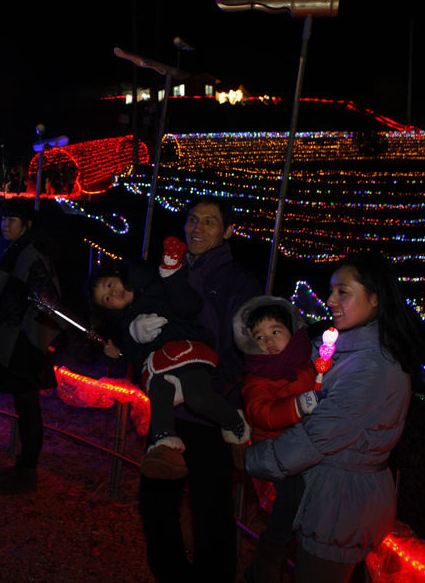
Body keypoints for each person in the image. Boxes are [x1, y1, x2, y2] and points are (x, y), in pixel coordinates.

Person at [246, 252, 423, 582]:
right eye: (331, 290)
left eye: (343, 291)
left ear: (375, 298)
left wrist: (249, 458)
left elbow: (314, 438)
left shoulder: (371, 369)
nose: (330, 300)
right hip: (330, 491)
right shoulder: (346, 350)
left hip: (343, 503)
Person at [138, 195, 262, 583]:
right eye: (192, 219)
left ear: (228, 231)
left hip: (210, 413)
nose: (197, 228)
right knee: (155, 502)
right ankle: (173, 574)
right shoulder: (167, 270)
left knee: (211, 511)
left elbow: (245, 349)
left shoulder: (240, 282)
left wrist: (207, 392)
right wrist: (133, 335)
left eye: (209, 221)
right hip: (167, 412)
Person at [88, 238, 250, 480]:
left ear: (118, 274)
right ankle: (165, 445)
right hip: (159, 365)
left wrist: (171, 273)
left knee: (197, 397)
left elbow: (189, 305)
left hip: (188, 350)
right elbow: (132, 355)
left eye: (110, 285)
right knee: (159, 392)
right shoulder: (125, 324)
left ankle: (234, 423)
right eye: (107, 299)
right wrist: (120, 351)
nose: (113, 293)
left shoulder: (154, 283)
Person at [233, 296, 318, 583]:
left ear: (293, 331)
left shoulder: (309, 363)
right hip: (276, 451)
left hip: (308, 448)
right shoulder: (257, 376)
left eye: (276, 331)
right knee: (291, 497)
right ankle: (267, 560)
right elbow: (261, 412)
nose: (268, 340)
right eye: (259, 336)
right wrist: (298, 406)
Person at [0, 198, 62, 494]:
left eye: (12, 219)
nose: (5, 224)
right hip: (21, 337)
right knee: (24, 405)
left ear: (27, 224)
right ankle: (23, 467)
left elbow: (37, 299)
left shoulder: (30, 251)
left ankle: (27, 472)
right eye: (3, 218)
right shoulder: (21, 249)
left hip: (26, 339)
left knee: (28, 407)